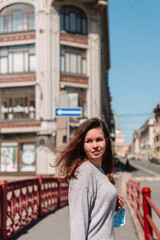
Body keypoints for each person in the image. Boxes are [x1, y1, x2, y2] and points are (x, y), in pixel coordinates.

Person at [56, 118, 124, 240]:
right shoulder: (84, 172)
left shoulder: (100, 170)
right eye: (89, 141)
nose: (95, 146)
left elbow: (97, 213)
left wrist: (112, 204)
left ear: (106, 141)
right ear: (82, 145)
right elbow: (78, 223)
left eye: (99, 140)